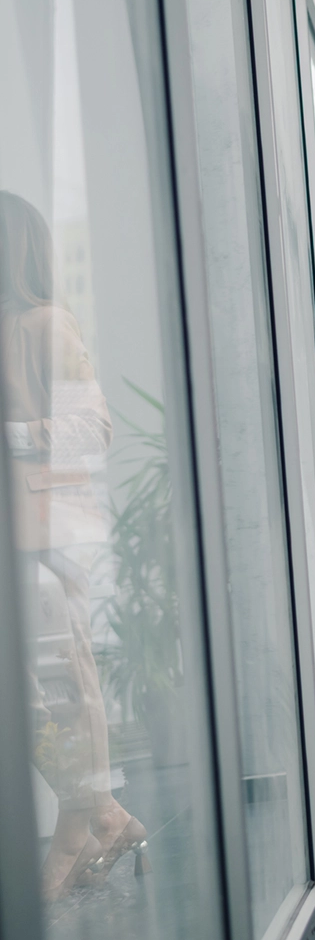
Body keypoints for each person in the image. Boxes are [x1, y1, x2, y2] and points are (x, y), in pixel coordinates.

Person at [1, 191, 149, 901]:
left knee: (66, 684)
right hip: (18, 538)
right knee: (32, 692)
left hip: (48, 537)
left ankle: (80, 823)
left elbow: (94, 429)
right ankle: (104, 815)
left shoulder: (44, 324)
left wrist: (18, 437)